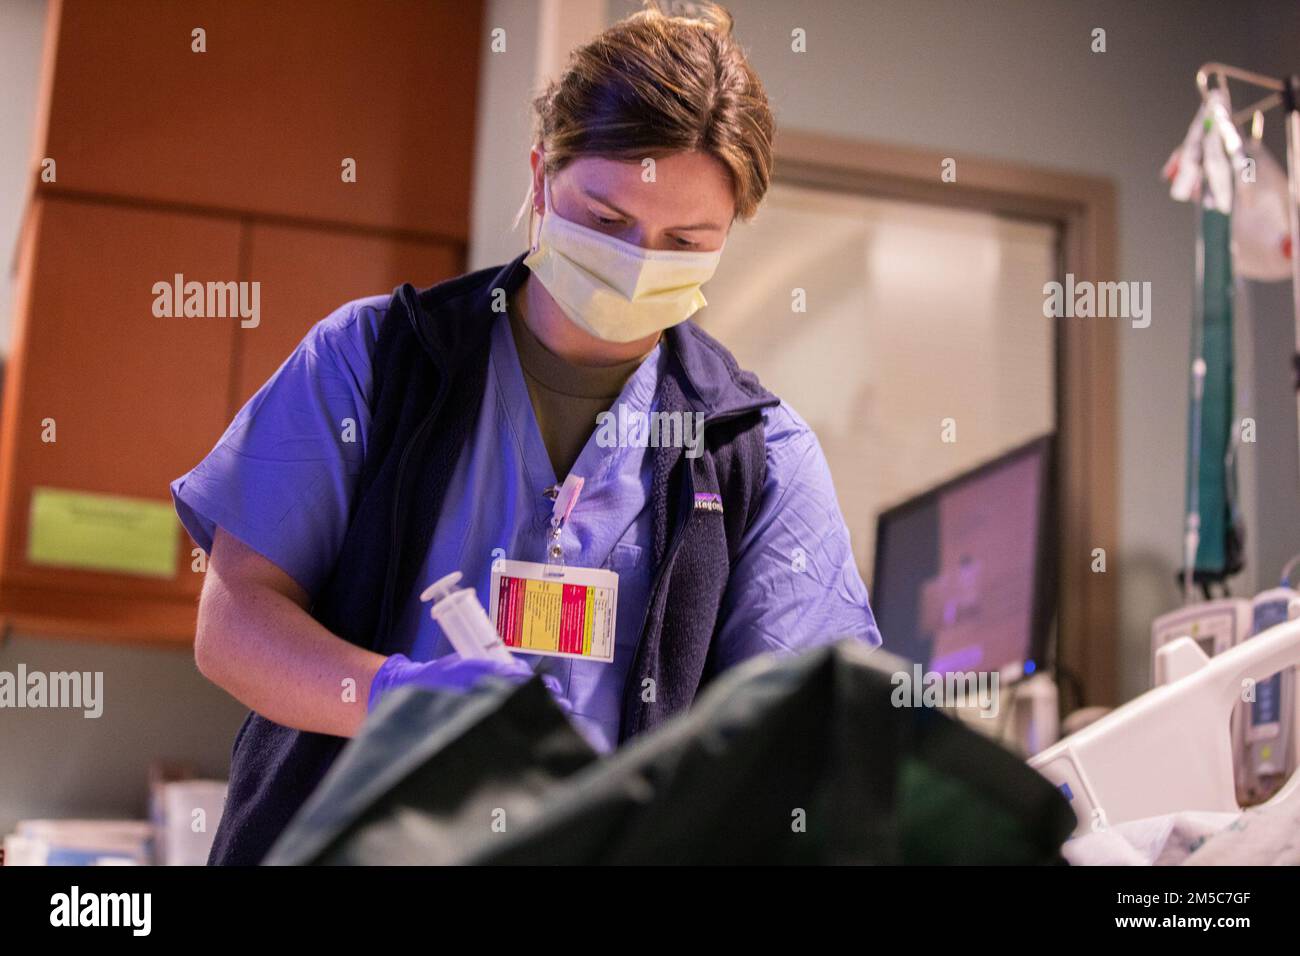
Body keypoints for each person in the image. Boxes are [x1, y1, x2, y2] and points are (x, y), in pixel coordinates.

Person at [172, 0, 881, 866]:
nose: (639, 261)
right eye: (608, 220)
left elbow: (810, 729)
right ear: (543, 177)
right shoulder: (376, 362)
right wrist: (393, 694)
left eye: (686, 240)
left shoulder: (754, 453)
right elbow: (235, 621)